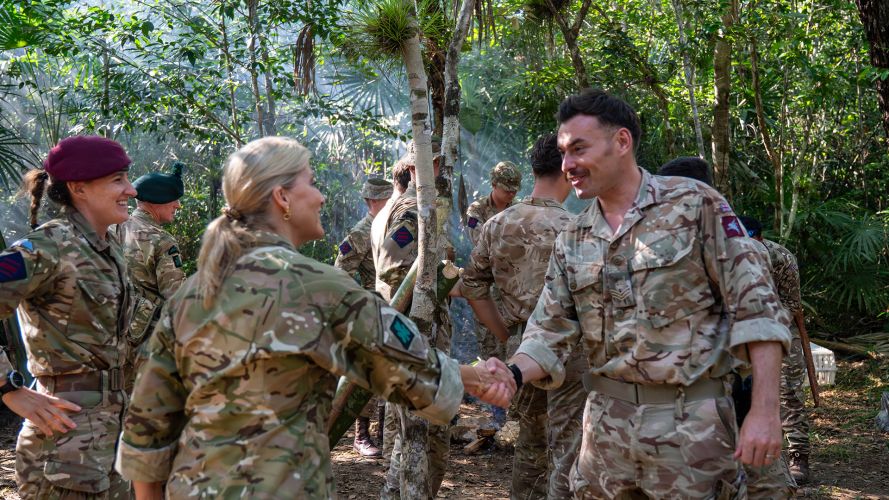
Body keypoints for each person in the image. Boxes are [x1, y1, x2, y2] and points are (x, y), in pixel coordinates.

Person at [116, 136, 514, 499]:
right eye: (311, 183)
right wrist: (480, 376)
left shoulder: (192, 293)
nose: (321, 197)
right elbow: (412, 368)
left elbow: (147, 431)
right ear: (282, 198)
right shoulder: (318, 288)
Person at [497, 89, 791, 498]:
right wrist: (512, 373)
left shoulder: (695, 206)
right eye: (563, 153)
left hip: (691, 432)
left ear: (621, 142)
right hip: (604, 437)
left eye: (578, 149)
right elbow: (548, 330)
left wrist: (764, 411)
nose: (568, 166)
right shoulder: (575, 237)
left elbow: (759, 310)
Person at [0, 135, 138, 498]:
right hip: (64, 448)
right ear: (79, 188)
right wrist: (9, 389)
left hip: (110, 438)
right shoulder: (47, 247)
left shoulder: (107, 249)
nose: (132, 190)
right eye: (118, 180)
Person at [658, 160, 797, 498]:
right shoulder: (667, 248)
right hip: (700, 400)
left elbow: (765, 324)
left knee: (762, 483)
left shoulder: (737, 247)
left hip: (731, 391)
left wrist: (765, 409)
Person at [462, 132, 586, 500]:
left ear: (532, 171)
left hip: (520, 348)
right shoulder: (580, 229)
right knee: (572, 448)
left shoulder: (497, 224)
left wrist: (506, 334)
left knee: (531, 444)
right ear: (565, 169)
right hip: (575, 353)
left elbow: (472, 286)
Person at [371, 142, 453, 499]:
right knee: (428, 432)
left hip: (403, 327)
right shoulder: (411, 209)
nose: (439, 172)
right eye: (434, 164)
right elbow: (392, 263)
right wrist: (428, 290)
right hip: (415, 328)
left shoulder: (397, 204)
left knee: (406, 431)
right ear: (418, 166)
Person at [740, 216, 812, 485]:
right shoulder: (725, 256)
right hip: (740, 334)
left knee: (789, 393)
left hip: (781, 330)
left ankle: (799, 454)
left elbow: (792, 303)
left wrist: (766, 327)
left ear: (759, 238)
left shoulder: (780, 257)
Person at [334, 177, 393, 457]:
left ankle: (385, 432)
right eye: (384, 200)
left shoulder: (390, 224)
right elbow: (341, 270)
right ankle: (361, 436)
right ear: (372, 202)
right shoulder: (362, 231)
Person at [119, 161, 187, 392]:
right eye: (173, 199)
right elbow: (176, 296)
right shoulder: (161, 240)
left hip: (110, 330)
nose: (178, 206)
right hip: (147, 339)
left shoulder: (111, 228)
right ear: (156, 201)